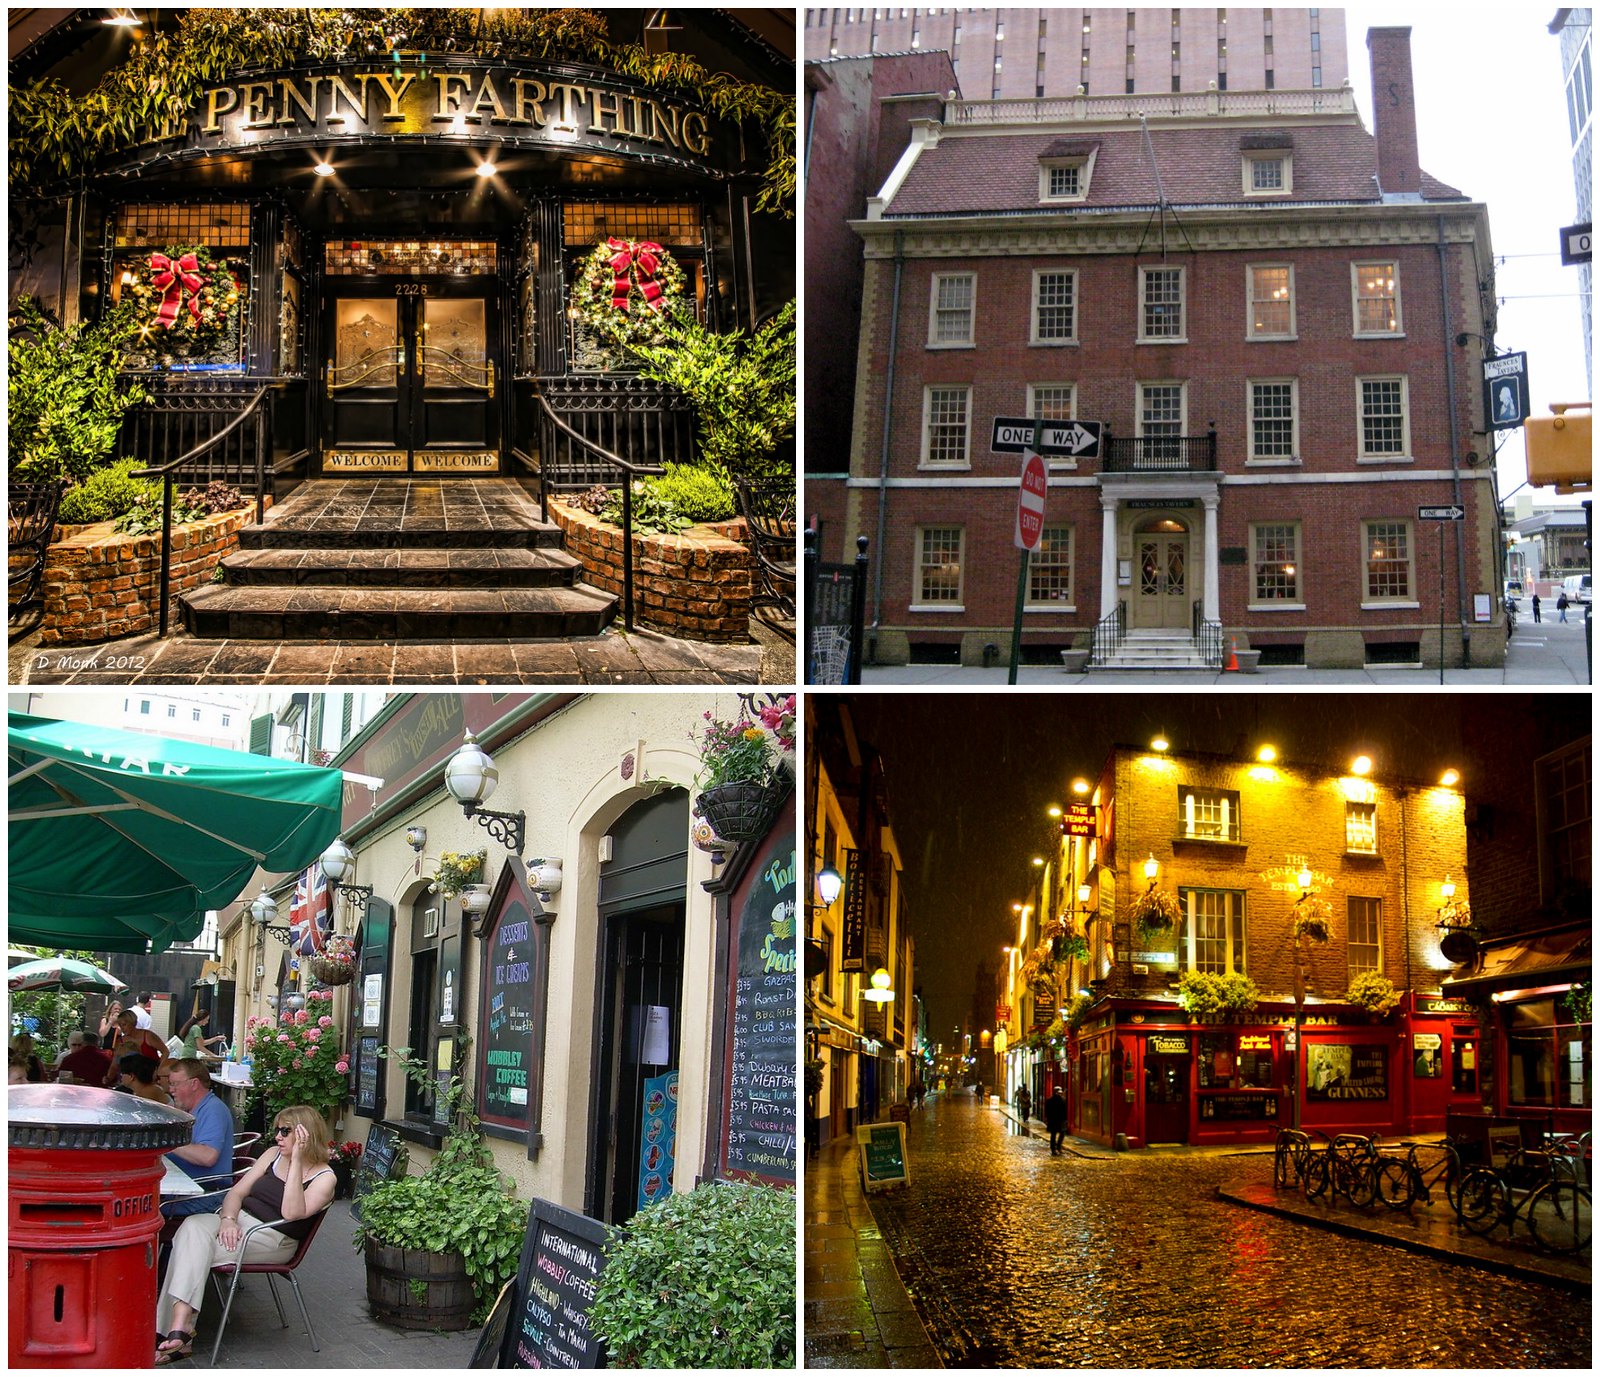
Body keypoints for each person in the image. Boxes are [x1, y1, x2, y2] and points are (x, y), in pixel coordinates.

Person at [155, 1105, 336, 1364]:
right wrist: (228, 1220)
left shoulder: (324, 1178)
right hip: (238, 1223)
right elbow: (236, 1194)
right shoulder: (272, 1155)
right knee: (192, 1227)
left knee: (190, 1246)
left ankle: (174, 1330)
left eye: (286, 1131)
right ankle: (179, 1329)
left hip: (272, 1238)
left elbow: (292, 1212)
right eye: (277, 1130)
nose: (278, 1137)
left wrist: (296, 1161)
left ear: (305, 1134)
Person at [160, 1059, 235, 1220]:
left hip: (205, 1196)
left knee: (145, 1208)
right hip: (188, 1189)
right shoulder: (195, 1109)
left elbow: (207, 1156)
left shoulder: (213, 1110)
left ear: (194, 1084)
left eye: (175, 1084)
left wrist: (166, 1141)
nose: (171, 1090)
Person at [104, 1010, 167, 1086]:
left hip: (151, 1078)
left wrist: (159, 1070)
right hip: (130, 1081)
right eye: (120, 1026)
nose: (122, 1028)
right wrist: (108, 1078)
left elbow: (165, 1052)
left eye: (124, 1024)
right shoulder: (120, 1041)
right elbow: (114, 1064)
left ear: (132, 1022)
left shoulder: (148, 1035)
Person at [1043, 1086, 1069, 1156]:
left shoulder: (1063, 1100)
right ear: (1055, 1092)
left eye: (1060, 1093)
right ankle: (1053, 1149)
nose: (1060, 1094)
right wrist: (1047, 1119)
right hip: (1053, 1120)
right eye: (1058, 1093)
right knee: (1053, 1135)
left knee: (1062, 1133)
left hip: (1061, 1120)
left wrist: (1066, 1119)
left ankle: (1058, 1146)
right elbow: (1047, 1111)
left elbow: (1065, 1110)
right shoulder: (1050, 1100)